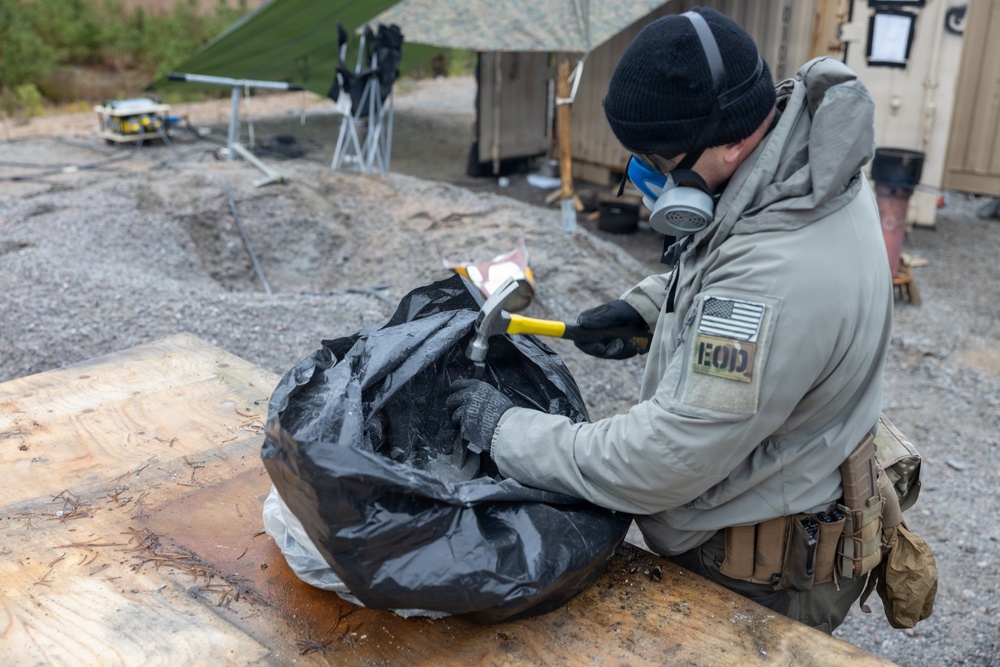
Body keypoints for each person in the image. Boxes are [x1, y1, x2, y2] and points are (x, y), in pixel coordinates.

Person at [447, 6, 892, 633]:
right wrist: (652, 306)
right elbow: (734, 252)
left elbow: (663, 461)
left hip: (755, 582)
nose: (651, 178)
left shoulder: (775, 279)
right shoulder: (807, 159)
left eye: (660, 162)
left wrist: (505, 431)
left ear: (732, 141)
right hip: (767, 507)